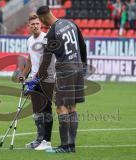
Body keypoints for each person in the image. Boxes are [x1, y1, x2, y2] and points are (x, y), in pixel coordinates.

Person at [36, 6, 87, 153]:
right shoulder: (71, 24)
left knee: (60, 107)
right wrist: (83, 66)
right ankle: (71, 146)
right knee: (72, 107)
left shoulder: (50, 34)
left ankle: (65, 146)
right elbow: (82, 45)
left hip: (65, 70)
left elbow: (45, 62)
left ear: (43, 18)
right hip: (77, 67)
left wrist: (38, 78)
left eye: (41, 21)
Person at [18, 13, 55, 150]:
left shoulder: (45, 38)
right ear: (28, 26)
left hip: (46, 79)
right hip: (33, 78)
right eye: (32, 24)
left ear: (41, 24)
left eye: (37, 24)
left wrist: (35, 79)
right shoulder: (29, 40)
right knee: (36, 111)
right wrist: (23, 74)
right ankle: (39, 139)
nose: (35, 26)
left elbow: (47, 61)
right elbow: (29, 58)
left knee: (46, 110)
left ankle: (46, 140)